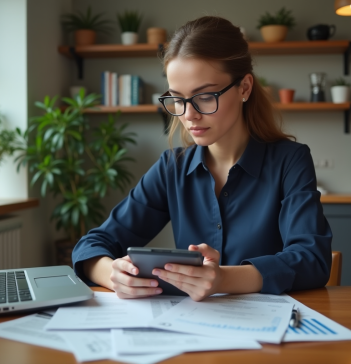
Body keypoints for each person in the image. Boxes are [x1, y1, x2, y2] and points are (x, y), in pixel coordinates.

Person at [72, 16, 332, 301]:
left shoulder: (290, 161)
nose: (188, 114)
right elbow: (92, 245)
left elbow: (312, 260)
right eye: (177, 99)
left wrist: (222, 278)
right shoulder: (172, 167)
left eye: (205, 96)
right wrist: (112, 274)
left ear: (244, 88)